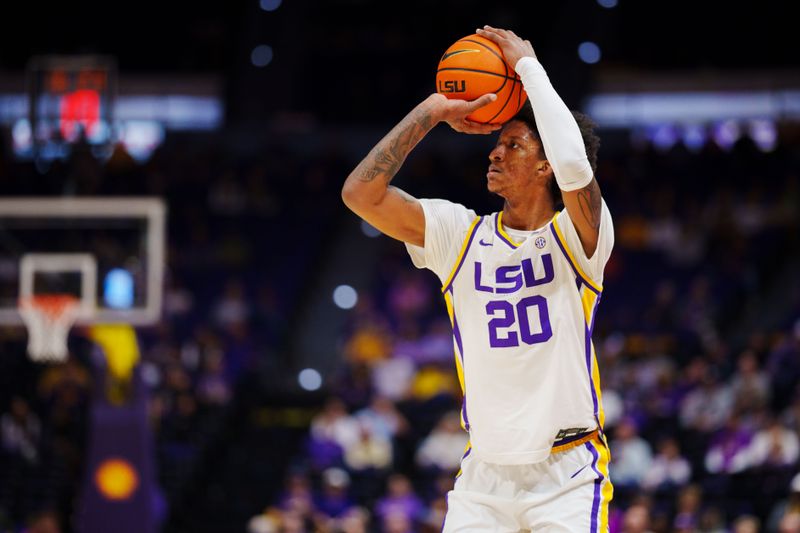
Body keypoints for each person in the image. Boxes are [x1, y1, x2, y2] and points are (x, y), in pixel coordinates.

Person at [342, 25, 614, 532]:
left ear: (545, 167)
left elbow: (576, 164)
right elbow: (360, 194)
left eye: (512, 145)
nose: (493, 152)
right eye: (497, 143)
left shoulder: (581, 237)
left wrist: (529, 68)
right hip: (483, 476)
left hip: (567, 474)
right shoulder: (458, 234)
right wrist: (431, 112)